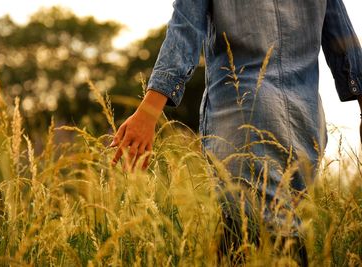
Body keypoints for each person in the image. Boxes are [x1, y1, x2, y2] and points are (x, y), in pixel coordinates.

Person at [110, 0, 362, 264]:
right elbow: (343, 41)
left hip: (244, 117)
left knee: (258, 239)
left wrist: (148, 113)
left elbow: (184, 31)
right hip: (305, 122)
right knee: (275, 229)